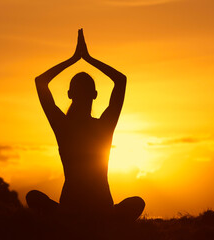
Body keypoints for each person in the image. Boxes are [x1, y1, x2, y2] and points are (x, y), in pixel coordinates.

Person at [27, 29, 144, 222]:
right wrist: (88, 59)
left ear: (70, 94)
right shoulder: (104, 126)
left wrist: (74, 59)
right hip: (102, 210)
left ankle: (64, 218)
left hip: (70, 210)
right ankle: (108, 219)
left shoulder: (62, 126)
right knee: (137, 202)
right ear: (95, 95)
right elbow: (120, 80)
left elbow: (41, 82)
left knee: (33, 197)